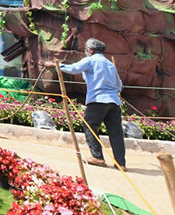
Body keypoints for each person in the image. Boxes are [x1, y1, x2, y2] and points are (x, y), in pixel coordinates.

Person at [44, 38, 126, 169]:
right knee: (116, 132)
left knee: (89, 124)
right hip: (114, 102)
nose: (86, 51)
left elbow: (74, 68)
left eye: (87, 49)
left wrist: (57, 65)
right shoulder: (109, 64)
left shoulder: (91, 60)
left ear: (91, 50)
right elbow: (119, 85)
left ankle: (97, 157)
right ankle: (120, 162)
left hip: (97, 100)